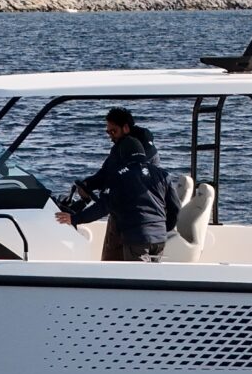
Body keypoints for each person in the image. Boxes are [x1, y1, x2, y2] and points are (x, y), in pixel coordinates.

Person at [56, 106, 173, 261]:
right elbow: (106, 173)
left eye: (113, 131)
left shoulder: (133, 157)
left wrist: (75, 219)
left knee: (117, 264)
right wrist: (88, 183)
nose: (111, 136)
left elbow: (106, 203)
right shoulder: (161, 173)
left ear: (126, 128)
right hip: (155, 231)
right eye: (108, 132)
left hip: (130, 223)